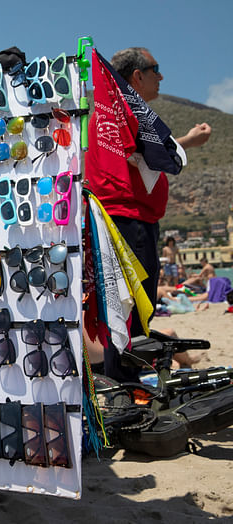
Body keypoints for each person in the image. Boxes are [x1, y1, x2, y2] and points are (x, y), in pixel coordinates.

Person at [86, 47, 211, 382]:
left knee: (120, 307)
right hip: (130, 220)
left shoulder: (106, 113)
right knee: (134, 310)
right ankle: (126, 386)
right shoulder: (125, 110)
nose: (162, 77)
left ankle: (123, 381)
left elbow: (137, 155)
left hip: (117, 219)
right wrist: (190, 141)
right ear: (137, 76)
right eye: (156, 69)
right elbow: (151, 156)